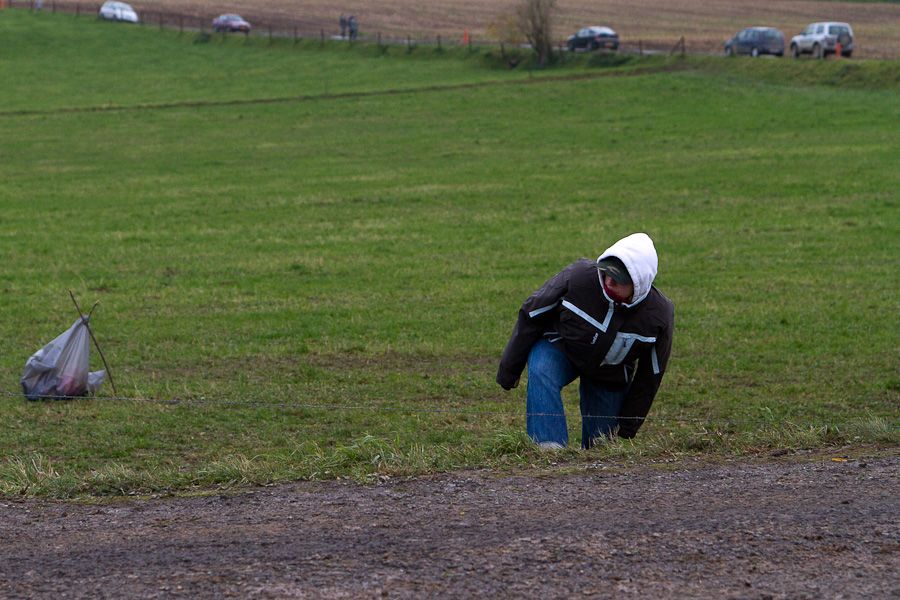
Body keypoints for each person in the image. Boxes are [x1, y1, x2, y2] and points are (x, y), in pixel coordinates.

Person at [496, 233, 674, 448]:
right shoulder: (578, 276)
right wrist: (509, 371)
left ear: (638, 284)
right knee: (542, 369)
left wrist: (628, 424)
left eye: (618, 280)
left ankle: (593, 460)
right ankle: (548, 451)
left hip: (610, 372)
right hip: (561, 347)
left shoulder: (659, 315)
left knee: (599, 449)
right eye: (606, 273)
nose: (609, 281)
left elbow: (651, 373)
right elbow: (531, 314)